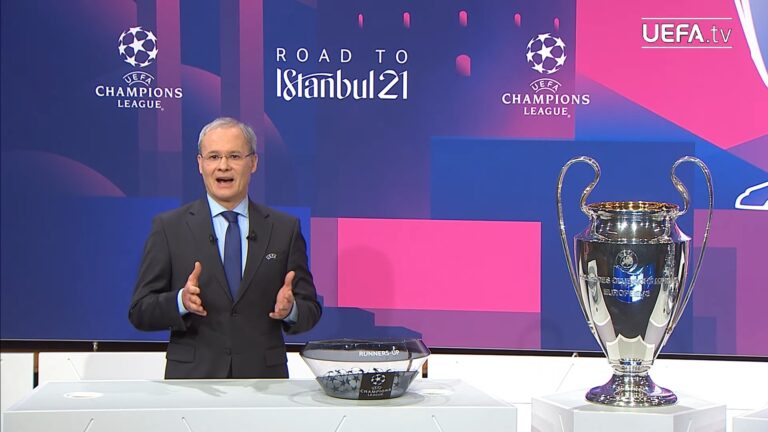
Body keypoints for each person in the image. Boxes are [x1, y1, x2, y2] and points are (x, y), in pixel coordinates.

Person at [129, 117, 321, 379]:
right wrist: (180, 301)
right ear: (200, 164)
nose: (223, 166)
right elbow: (140, 311)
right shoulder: (169, 227)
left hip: (263, 382)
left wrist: (291, 310)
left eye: (234, 156)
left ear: (253, 162)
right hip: (193, 381)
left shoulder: (284, 229)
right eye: (213, 156)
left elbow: (310, 309)